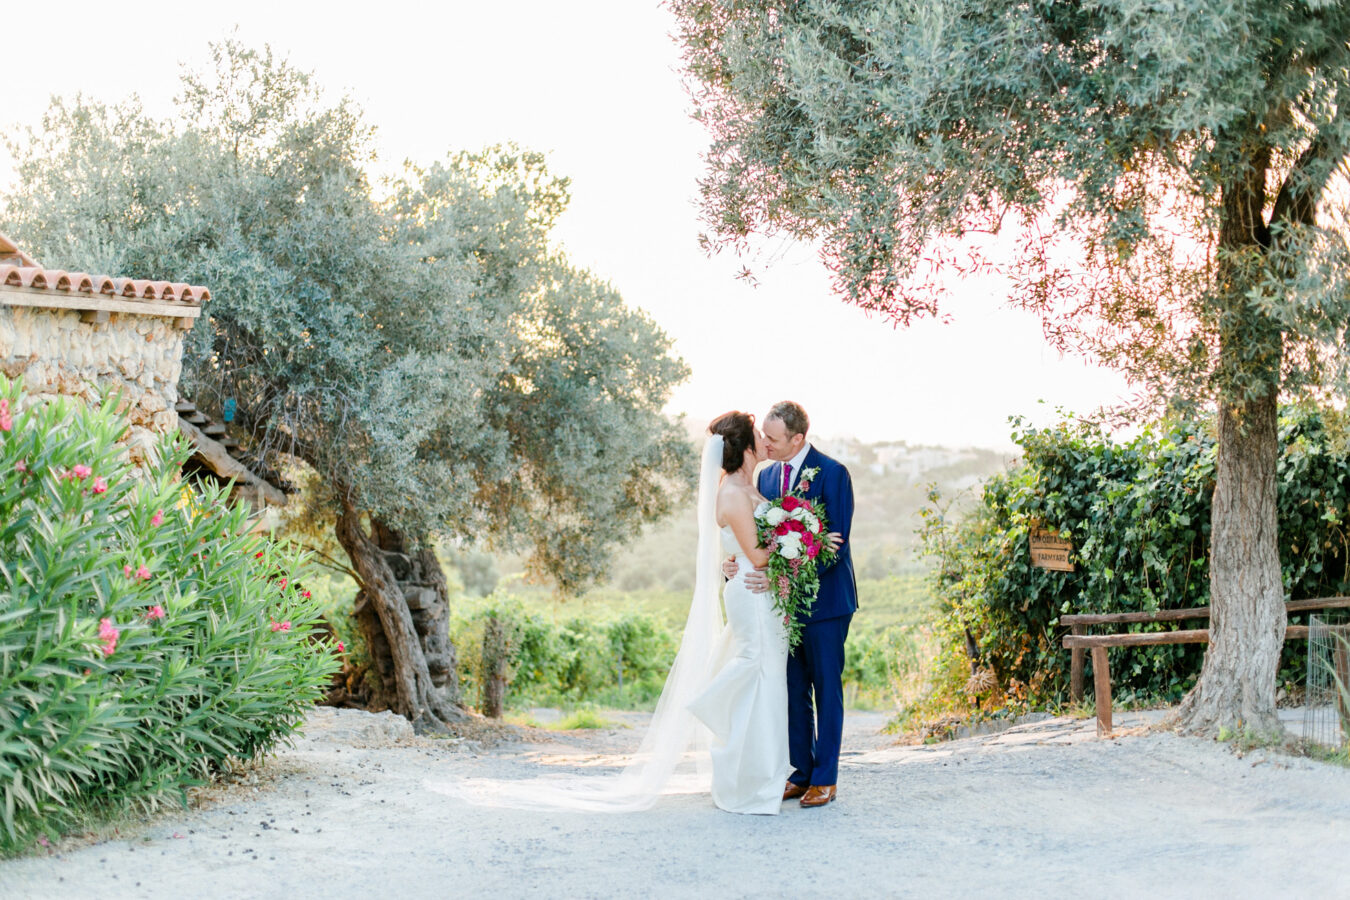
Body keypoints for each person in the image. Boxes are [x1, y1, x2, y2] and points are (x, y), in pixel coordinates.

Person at [430, 409, 836, 814]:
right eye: (759, 438)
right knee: (756, 671)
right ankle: (723, 731)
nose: (765, 443)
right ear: (746, 447)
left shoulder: (752, 483)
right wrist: (807, 541)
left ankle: (753, 768)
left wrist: (771, 547)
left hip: (759, 592)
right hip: (752, 592)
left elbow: (750, 546)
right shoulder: (732, 491)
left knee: (764, 678)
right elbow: (760, 554)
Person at [724, 401, 856, 809]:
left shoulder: (832, 474)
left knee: (825, 688)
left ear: (798, 438)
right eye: (762, 435)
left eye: (773, 438)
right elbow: (761, 534)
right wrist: (738, 559)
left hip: (826, 603)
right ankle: (799, 772)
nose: (764, 443)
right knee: (794, 688)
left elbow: (834, 546)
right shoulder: (768, 474)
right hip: (781, 605)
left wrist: (779, 573)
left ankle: (826, 778)